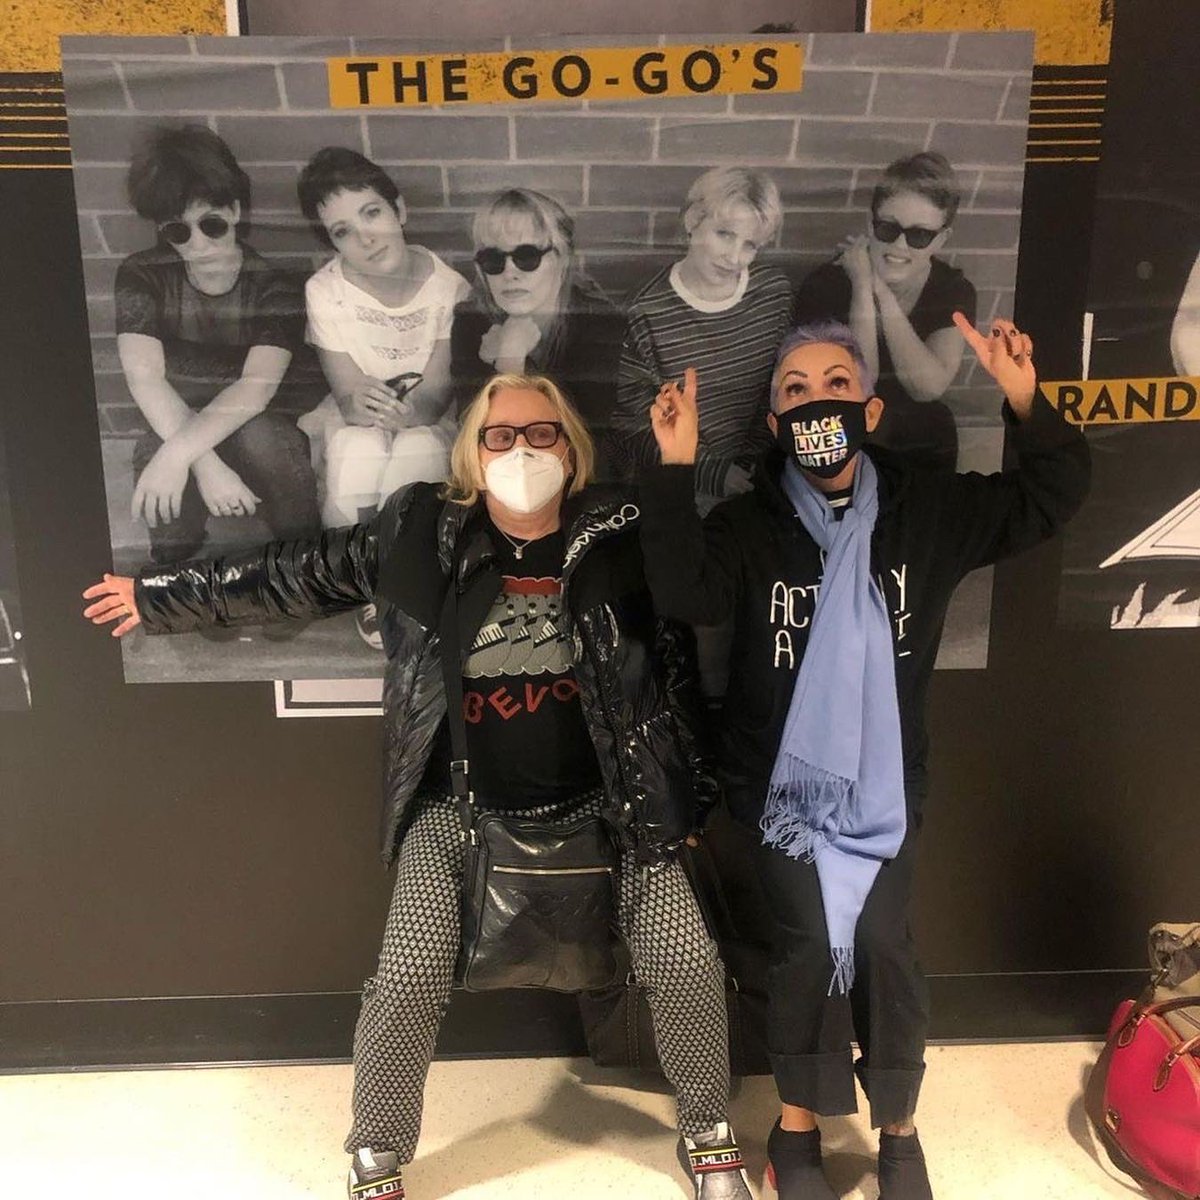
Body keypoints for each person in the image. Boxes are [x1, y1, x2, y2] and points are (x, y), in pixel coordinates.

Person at [83, 374, 755, 1200]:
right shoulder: (422, 531)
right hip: (458, 809)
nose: (521, 450)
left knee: (687, 963)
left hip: (612, 808)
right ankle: (376, 1151)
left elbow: (674, 673)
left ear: (571, 448)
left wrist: (686, 799)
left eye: (541, 433)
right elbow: (297, 573)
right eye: (500, 436)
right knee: (405, 977)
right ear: (473, 452)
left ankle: (709, 1132)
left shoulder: (619, 537)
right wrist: (158, 598)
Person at [638, 315, 1090, 1199]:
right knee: (808, 943)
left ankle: (899, 1130)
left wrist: (1025, 397)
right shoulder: (749, 525)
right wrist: (672, 467)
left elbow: (1051, 495)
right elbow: (684, 589)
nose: (818, 402)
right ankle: (797, 1128)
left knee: (883, 941)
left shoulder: (929, 511)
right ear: (776, 424)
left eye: (837, 385)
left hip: (884, 785)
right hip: (780, 791)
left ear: (870, 411)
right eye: (796, 390)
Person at [115, 124, 320, 567]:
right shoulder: (142, 274)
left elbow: (255, 389)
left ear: (235, 210)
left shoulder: (273, 284)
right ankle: (177, 572)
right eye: (178, 232)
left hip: (256, 422)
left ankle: (301, 562)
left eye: (211, 224)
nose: (199, 245)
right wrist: (202, 464)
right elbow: (145, 378)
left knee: (264, 440)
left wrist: (179, 455)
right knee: (153, 455)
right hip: (178, 417)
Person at [296, 147, 469, 645]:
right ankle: (365, 580)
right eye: (342, 231)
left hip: (426, 415)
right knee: (357, 451)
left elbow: (437, 390)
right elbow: (346, 390)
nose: (365, 238)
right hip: (358, 417)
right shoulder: (326, 291)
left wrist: (410, 413)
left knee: (416, 452)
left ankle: (406, 581)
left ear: (400, 210)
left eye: (371, 213)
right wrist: (362, 406)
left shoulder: (448, 287)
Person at [609, 165, 794, 515]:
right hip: (680, 488)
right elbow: (631, 425)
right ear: (693, 220)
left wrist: (751, 468)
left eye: (750, 245)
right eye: (725, 234)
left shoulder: (773, 293)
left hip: (756, 484)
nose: (734, 257)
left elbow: (777, 391)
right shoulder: (645, 311)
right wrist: (712, 473)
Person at [795, 151, 977, 472]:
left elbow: (928, 388)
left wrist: (881, 291)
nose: (900, 246)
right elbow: (859, 384)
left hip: (912, 425)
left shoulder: (952, 290)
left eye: (919, 235)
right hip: (841, 419)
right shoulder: (823, 286)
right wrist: (861, 288)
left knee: (936, 423)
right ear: (871, 223)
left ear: (941, 240)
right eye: (888, 228)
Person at [450, 187, 625, 476]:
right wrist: (511, 358)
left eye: (527, 256)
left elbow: (581, 439)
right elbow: (473, 438)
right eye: (494, 260)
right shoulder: (472, 322)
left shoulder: (599, 323)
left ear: (562, 258)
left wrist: (510, 363)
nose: (510, 273)